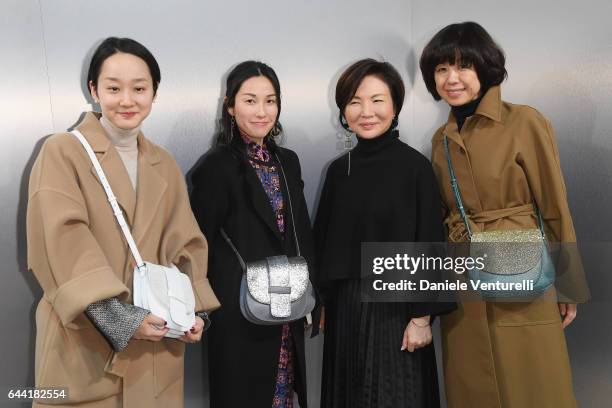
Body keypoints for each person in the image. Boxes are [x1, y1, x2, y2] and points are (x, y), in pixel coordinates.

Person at [26, 37, 219, 407]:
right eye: (114, 88)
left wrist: (193, 311)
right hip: (86, 343)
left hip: (156, 350)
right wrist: (119, 317)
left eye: (139, 88)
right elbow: (60, 240)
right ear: (94, 90)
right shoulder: (61, 151)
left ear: (154, 93)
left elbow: (186, 242)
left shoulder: (163, 162)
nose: (127, 100)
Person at [419, 21, 591, 408]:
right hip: (463, 283)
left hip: (522, 273)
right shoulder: (440, 140)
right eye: (442, 69)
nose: (452, 78)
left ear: (485, 67)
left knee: (534, 385)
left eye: (463, 66)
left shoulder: (524, 121)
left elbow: (554, 206)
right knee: (472, 388)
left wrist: (569, 284)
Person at [313, 58, 455, 408]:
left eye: (377, 100)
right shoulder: (337, 171)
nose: (366, 111)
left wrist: (422, 318)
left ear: (395, 106)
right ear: (344, 110)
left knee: (396, 396)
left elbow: (430, 243)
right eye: (355, 101)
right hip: (346, 310)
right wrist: (324, 303)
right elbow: (324, 243)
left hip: (397, 310)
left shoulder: (415, 167)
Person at [189, 61, 315, 408]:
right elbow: (199, 243)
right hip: (239, 308)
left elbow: (300, 230)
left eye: (270, 101)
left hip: (287, 301)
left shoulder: (287, 161)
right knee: (245, 394)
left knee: (284, 391)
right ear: (230, 106)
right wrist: (200, 307)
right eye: (250, 101)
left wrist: (311, 292)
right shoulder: (215, 166)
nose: (262, 111)